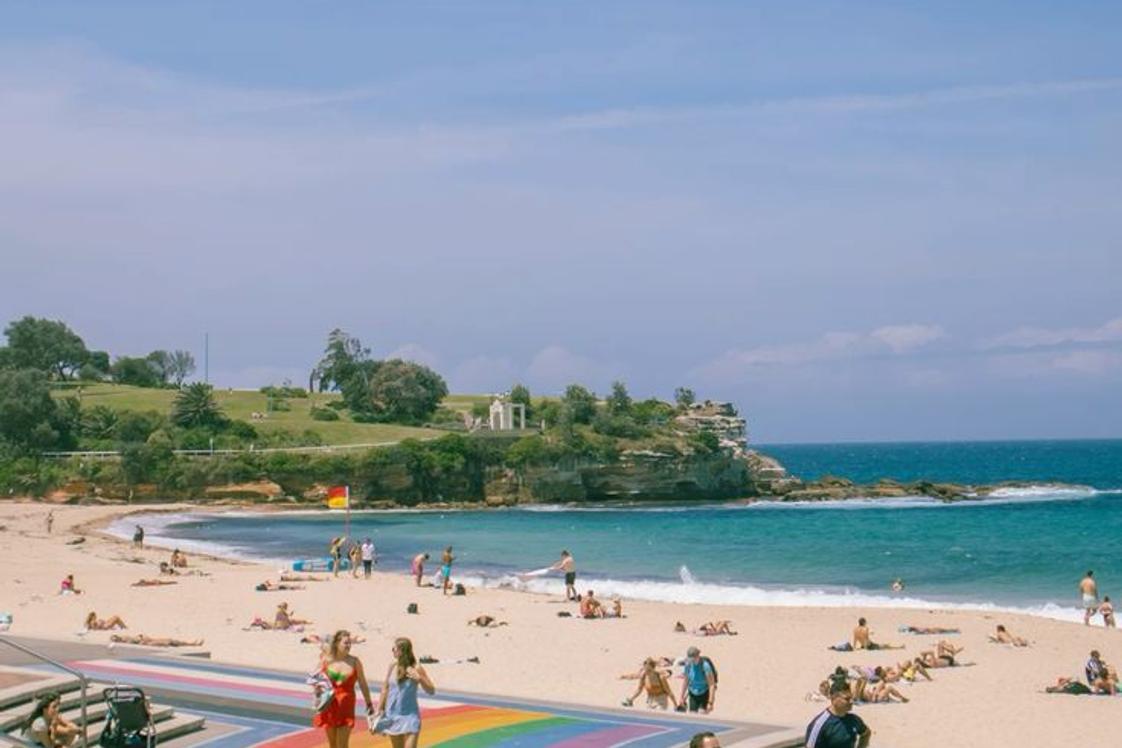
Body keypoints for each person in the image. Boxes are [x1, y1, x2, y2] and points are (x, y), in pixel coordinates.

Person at [313, 630, 374, 748]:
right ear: (337, 643)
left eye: (350, 643)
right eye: (345, 643)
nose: (348, 646)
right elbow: (315, 678)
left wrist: (369, 703)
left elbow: (363, 683)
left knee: (342, 745)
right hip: (329, 705)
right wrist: (318, 692)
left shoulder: (355, 662)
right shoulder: (326, 660)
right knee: (333, 745)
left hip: (346, 706)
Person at [372, 637, 435, 747]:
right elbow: (385, 688)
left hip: (410, 716)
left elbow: (431, 690)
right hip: (392, 715)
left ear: (402, 651)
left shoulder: (416, 668)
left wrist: (420, 679)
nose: (393, 651)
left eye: (394, 649)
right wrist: (378, 710)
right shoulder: (393, 666)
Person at [805, 682, 872, 748]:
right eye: (847, 699)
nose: (851, 701)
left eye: (851, 698)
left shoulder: (853, 720)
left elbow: (866, 733)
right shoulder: (819, 724)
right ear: (834, 698)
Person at [679, 646, 716, 713]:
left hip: (704, 693)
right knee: (693, 716)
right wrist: (681, 697)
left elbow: (711, 684)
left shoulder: (705, 666)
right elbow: (685, 681)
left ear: (698, 656)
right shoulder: (688, 665)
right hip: (693, 694)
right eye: (690, 659)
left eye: (693, 659)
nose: (692, 661)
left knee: (701, 714)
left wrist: (710, 702)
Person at [110, 634, 203, 647]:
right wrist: (143, 640)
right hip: (148, 643)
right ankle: (193, 644)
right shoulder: (126, 643)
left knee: (170, 640)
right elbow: (139, 645)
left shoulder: (124, 638)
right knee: (168, 642)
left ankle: (192, 643)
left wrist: (141, 636)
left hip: (148, 640)